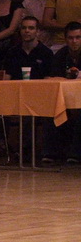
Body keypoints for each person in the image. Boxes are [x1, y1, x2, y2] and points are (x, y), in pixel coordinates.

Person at [42, 21, 81, 163]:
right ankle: (51, 153)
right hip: (64, 99)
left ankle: (75, 154)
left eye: (78, 37)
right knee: (50, 111)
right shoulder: (61, 55)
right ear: (65, 39)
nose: (74, 41)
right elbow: (53, 78)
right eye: (70, 38)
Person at [3, 16, 54, 80]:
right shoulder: (12, 52)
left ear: (37, 32)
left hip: (38, 86)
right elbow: (7, 77)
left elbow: (48, 78)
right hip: (16, 86)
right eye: (23, 28)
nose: (26, 31)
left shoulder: (46, 53)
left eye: (31, 28)